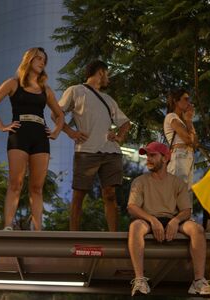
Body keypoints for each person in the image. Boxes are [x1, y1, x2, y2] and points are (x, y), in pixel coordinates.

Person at [0, 47, 65, 231]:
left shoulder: (46, 89)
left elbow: (60, 115)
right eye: (38, 58)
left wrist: (55, 132)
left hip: (40, 136)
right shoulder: (13, 83)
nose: (42, 62)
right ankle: (8, 225)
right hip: (19, 134)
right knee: (16, 183)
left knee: (37, 187)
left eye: (44, 59)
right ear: (28, 60)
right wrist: (1, 126)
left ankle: (37, 229)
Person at [127, 142, 210, 296]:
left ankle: (198, 281)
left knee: (197, 229)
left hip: (173, 220)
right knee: (135, 227)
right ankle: (139, 280)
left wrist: (175, 221)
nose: (148, 159)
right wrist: (152, 220)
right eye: (147, 156)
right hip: (148, 220)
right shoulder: (140, 181)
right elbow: (132, 207)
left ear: (165, 158)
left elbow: (186, 211)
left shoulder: (178, 183)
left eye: (152, 155)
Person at [59, 60, 130, 232]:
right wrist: (71, 132)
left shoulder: (109, 99)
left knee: (110, 195)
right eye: (107, 74)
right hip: (86, 151)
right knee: (78, 196)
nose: (108, 79)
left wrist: (119, 136)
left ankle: (113, 236)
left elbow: (126, 122)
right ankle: (73, 237)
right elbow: (57, 114)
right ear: (100, 72)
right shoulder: (75, 91)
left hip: (111, 152)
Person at [163, 89, 196, 184]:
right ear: (175, 101)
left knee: (185, 194)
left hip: (188, 156)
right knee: (178, 191)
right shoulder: (171, 117)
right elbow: (189, 140)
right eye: (185, 99)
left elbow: (195, 142)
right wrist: (189, 121)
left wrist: (189, 120)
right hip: (179, 155)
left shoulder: (183, 121)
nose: (188, 102)